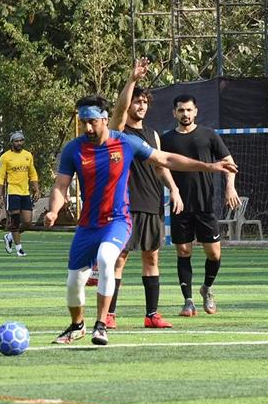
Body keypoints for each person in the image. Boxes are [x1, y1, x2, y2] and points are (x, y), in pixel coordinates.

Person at [45, 95, 237, 346]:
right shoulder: (74, 148)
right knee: (74, 282)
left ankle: (101, 325)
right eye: (83, 122)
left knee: (107, 259)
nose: (87, 128)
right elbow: (61, 185)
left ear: (105, 119)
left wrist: (209, 167)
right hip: (87, 225)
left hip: (117, 220)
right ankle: (77, 325)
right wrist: (53, 210)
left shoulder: (125, 142)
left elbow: (165, 160)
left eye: (92, 121)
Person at [105, 58, 182, 329]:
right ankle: (109, 315)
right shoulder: (117, 131)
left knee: (152, 257)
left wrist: (173, 189)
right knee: (119, 259)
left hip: (151, 203)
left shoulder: (153, 134)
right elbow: (119, 108)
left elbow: (161, 166)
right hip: (124, 205)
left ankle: (152, 315)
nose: (140, 106)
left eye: (144, 102)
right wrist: (132, 79)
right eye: (137, 101)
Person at [160, 94, 240, 317]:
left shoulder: (209, 135)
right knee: (183, 251)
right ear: (174, 113)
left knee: (214, 254)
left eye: (188, 110)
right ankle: (188, 301)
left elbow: (229, 164)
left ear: (196, 111)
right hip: (180, 206)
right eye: (180, 110)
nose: (185, 114)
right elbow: (160, 166)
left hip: (205, 205)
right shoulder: (166, 140)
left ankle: (207, 288)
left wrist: (230, 187)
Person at [0, 131, 40, 257]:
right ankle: (19, 248)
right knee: (15, 221)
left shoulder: (28, 155)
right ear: (12, 142)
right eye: (16, 141)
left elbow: (32, 173)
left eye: (21, 140)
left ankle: (9, 236)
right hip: (12, 192)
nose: (19, 143)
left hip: (25, 193)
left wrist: (36, 189)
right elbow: (0, 178)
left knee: (27, 222)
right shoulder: (5, 157)